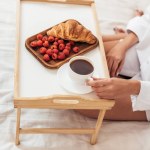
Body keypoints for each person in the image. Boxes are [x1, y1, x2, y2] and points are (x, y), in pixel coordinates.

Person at [77, 8, 150, 121]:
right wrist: (123, 45)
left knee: (80, 101)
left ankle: (124, 35)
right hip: (146, 48)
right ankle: (126, 36)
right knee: (82, 50)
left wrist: (133, 87)